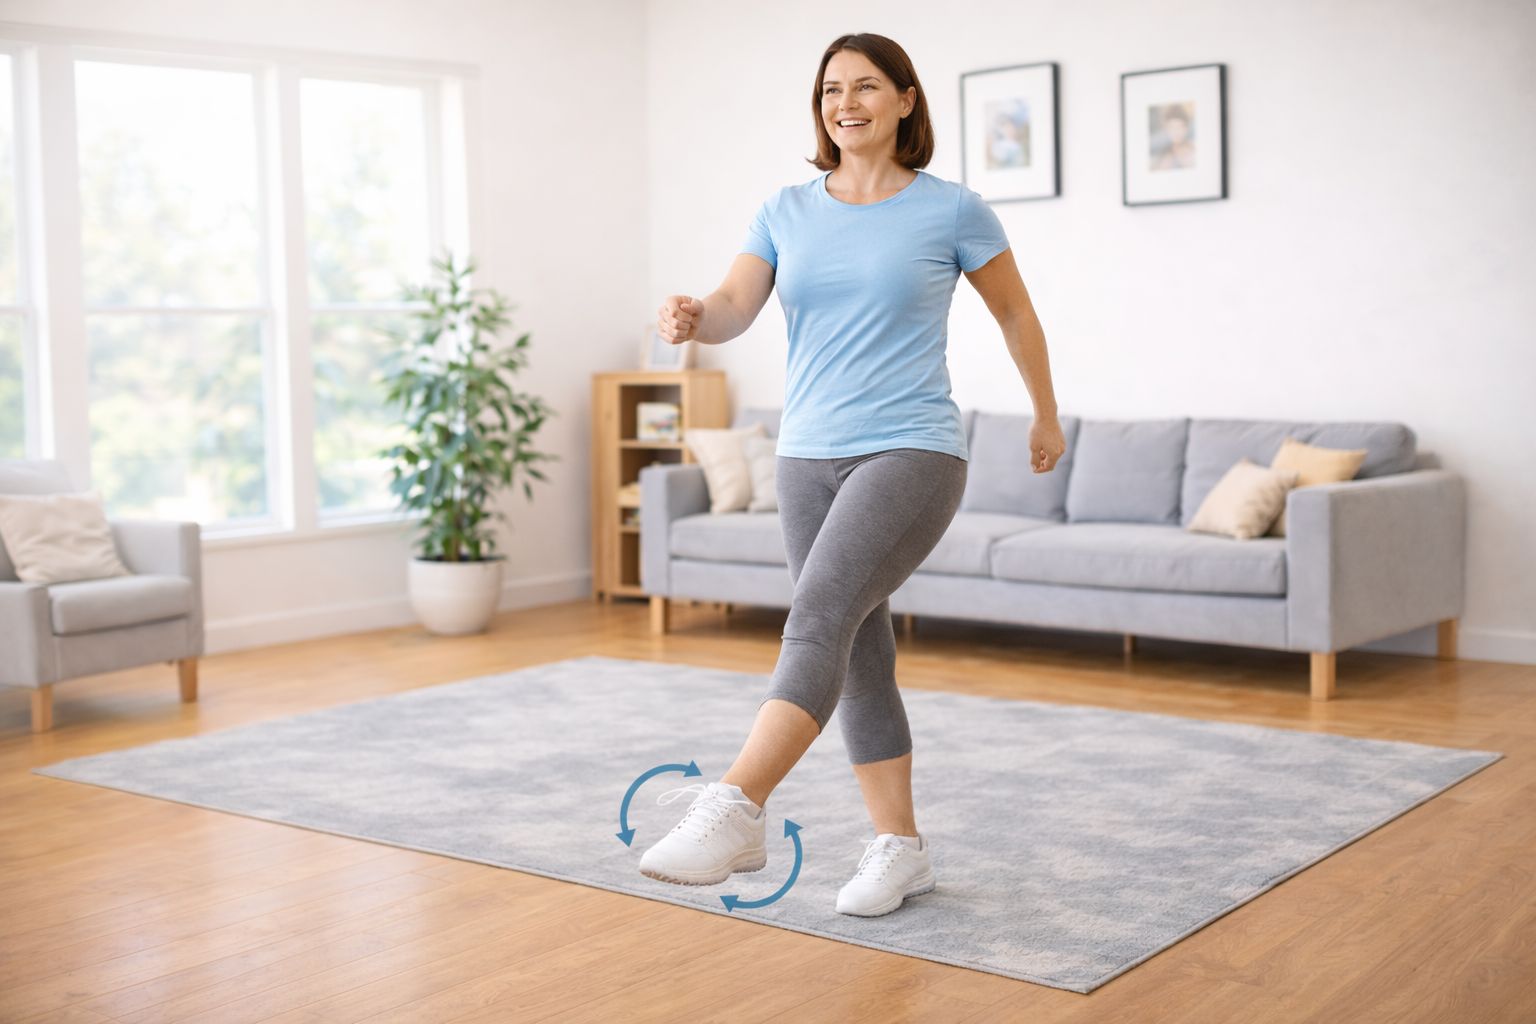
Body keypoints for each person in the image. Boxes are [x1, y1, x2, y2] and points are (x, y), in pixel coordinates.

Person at [639, 32, 1065, 917]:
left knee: (819, 613)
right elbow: (733, 306)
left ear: (907, 100)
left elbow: (1017, 315)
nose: (846, 103)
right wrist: (693, 316)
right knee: (858, 653)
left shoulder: (952, 210)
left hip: (911, 448)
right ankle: (899, 848)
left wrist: (1045, 412)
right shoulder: (785, 210)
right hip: (805, 456)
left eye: (866, 86)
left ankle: (738, 805)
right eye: (831, 89)